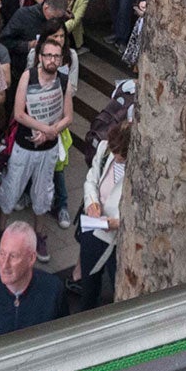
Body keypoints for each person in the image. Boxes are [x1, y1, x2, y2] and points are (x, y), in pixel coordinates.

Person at [0, 29, 71, 238]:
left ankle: (40, 235)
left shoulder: (63, 81)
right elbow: (19, 113)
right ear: (40, 57)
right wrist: (44, 128)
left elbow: (68, 116)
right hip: (24, 146)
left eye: (56, 56)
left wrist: (51, 132)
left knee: (43, 194)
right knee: (11, 189)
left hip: (49, 149)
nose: (52, 60)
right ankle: (0, 232)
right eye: (48, 55)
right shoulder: (28, 77)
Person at [77, 121, 128, 309]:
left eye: (121, 155)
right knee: (89, 284)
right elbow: (92, 178)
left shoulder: (138, 169)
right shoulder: (105, 150)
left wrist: (116, 223)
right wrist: (92, 202)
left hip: (117, 239)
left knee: (118, 286)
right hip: (94, 229)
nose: (116, 157)